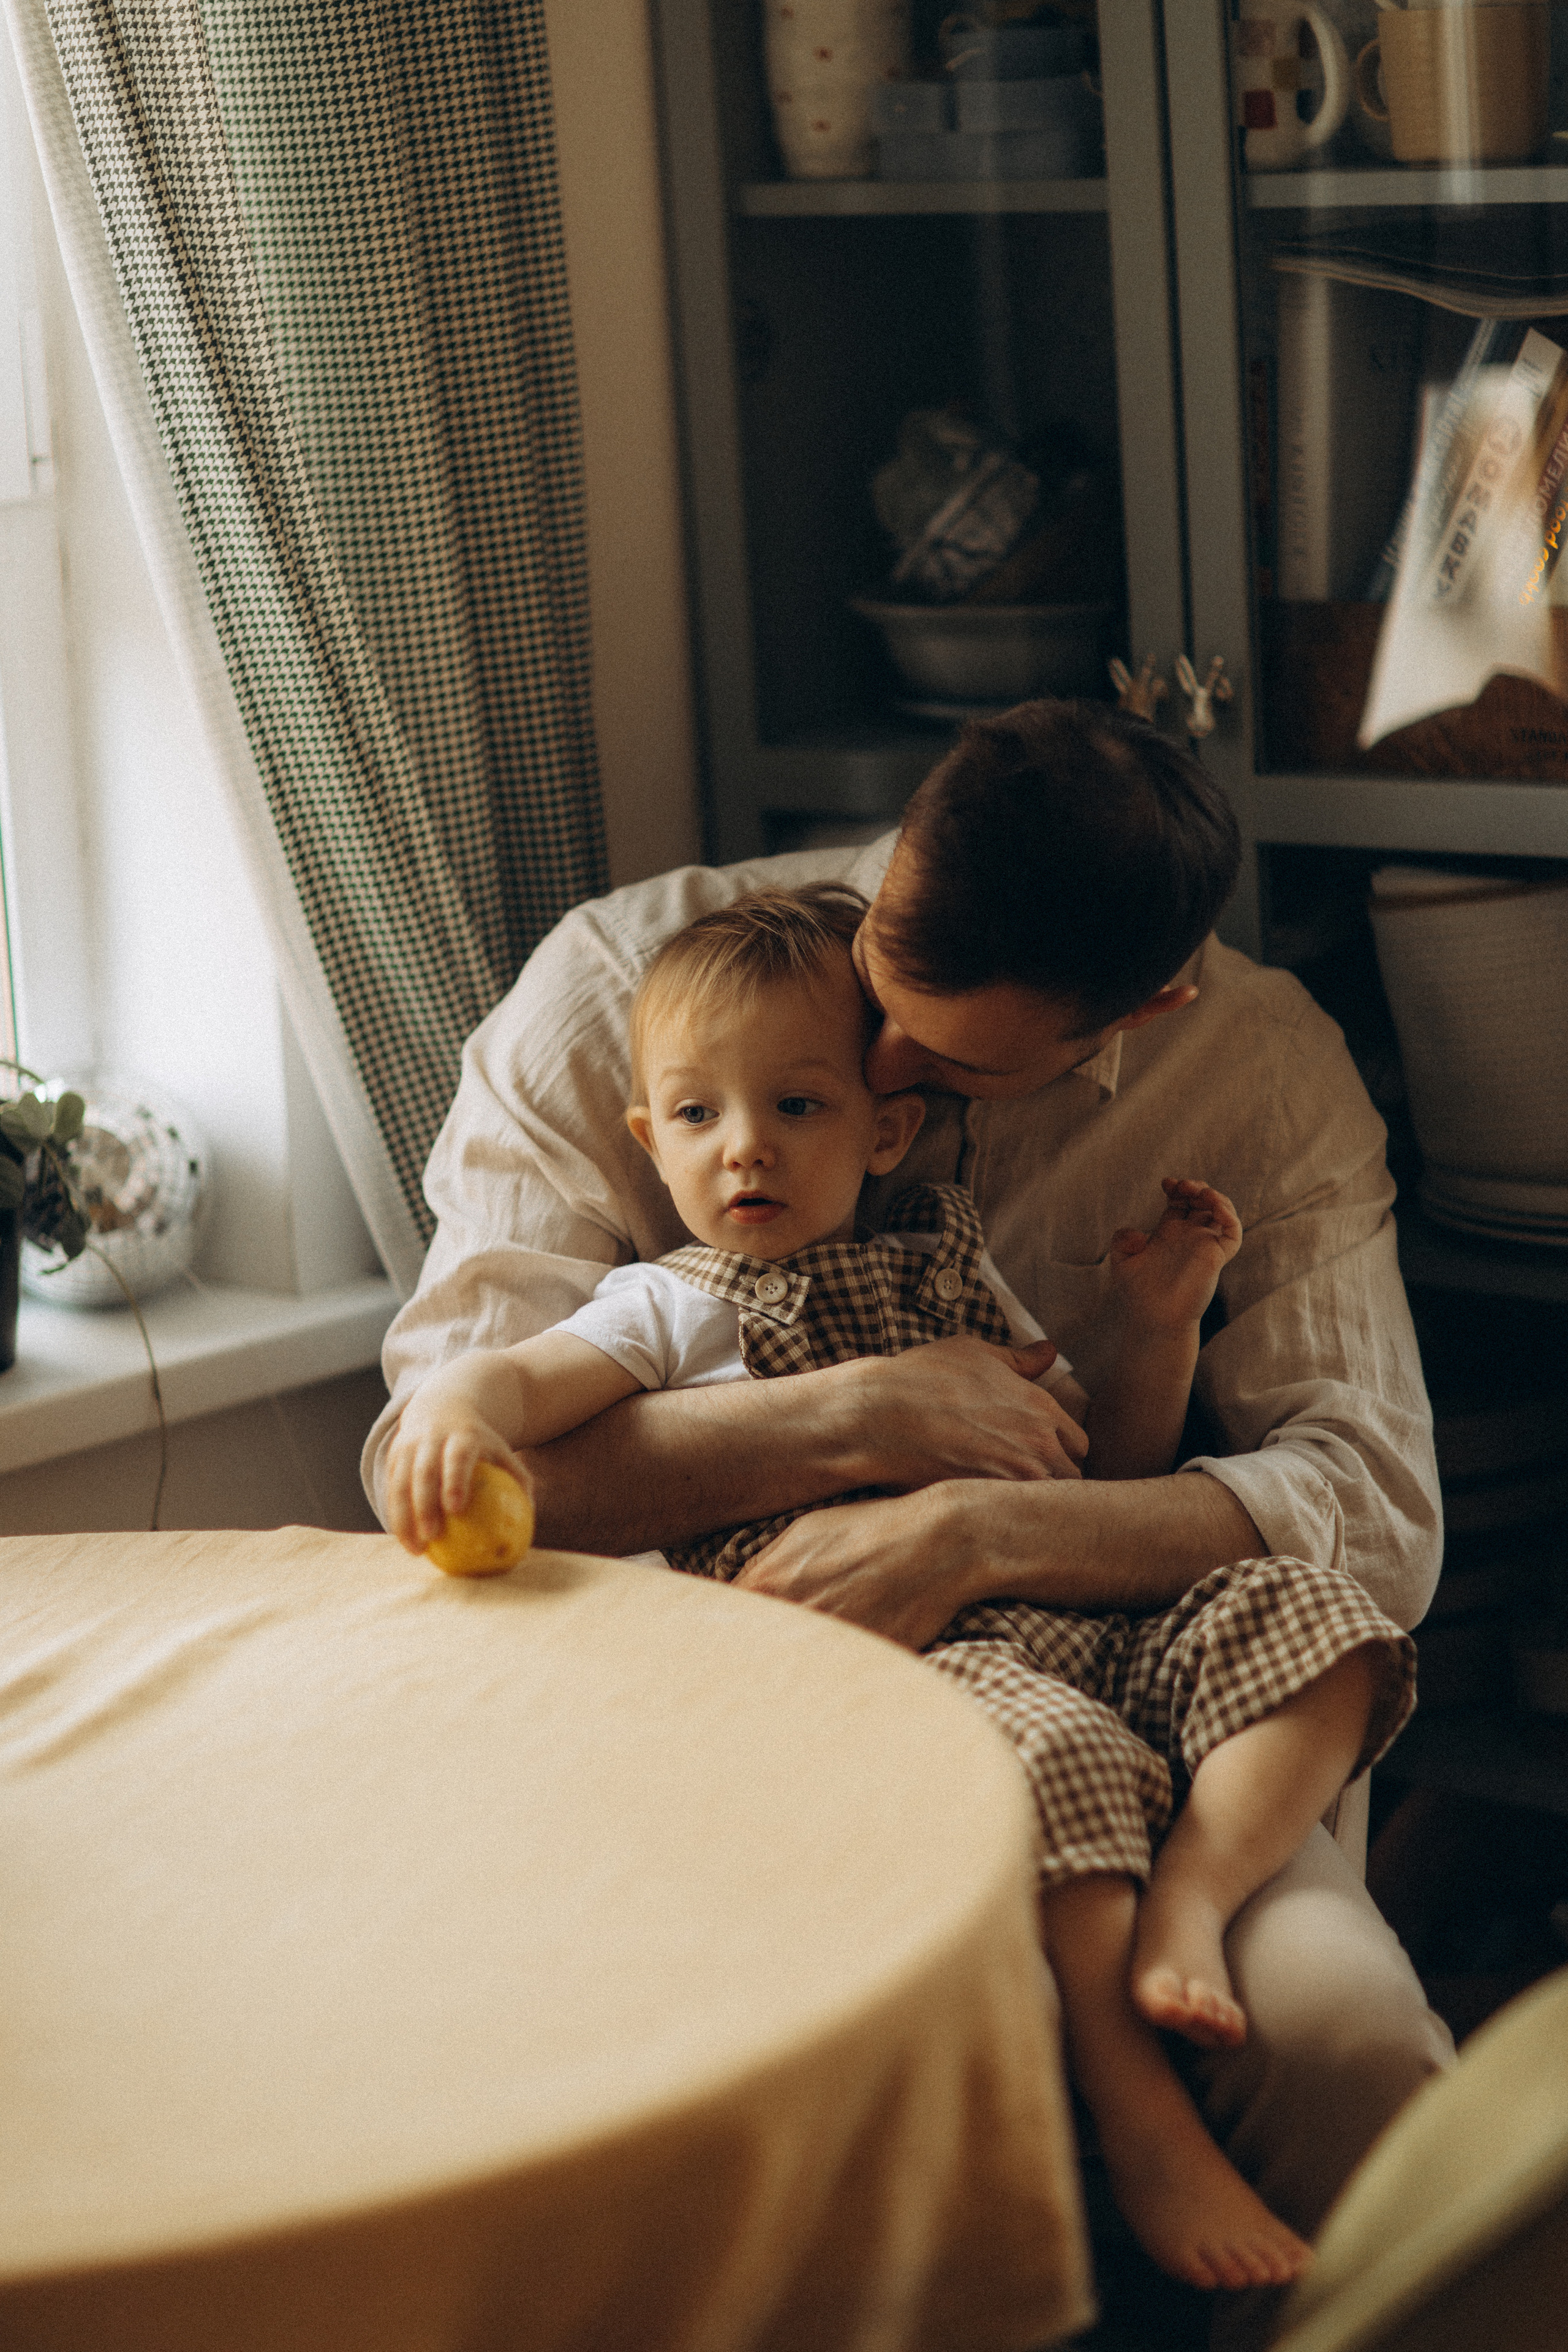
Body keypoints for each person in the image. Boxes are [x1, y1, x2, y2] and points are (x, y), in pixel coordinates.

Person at [365, 699, 1451, 2343]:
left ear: (1144, 1007)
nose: (876, 1084)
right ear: (908, 843)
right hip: (730, 1735)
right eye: (881, 989)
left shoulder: (1262, 1066)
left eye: (945, 1071)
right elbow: (439, 1466)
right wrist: (853, 1419)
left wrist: (987, 1526)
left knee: (1359, 2049)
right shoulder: (617, 998)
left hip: (1125, 1680)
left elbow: (1371, 1508)